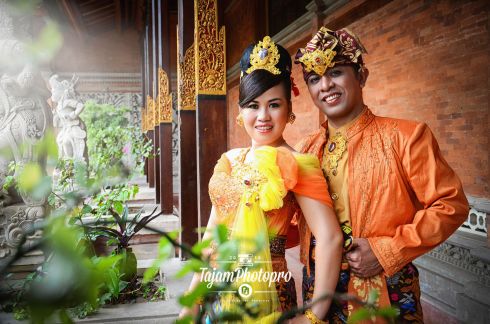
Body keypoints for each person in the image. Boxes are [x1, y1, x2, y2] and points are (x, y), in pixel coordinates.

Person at [293, 27, 469, 322]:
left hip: (384, 288)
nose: (325, 85)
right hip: (318, 291)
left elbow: (451, 205)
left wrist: (387, 250)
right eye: (314, 79)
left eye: (336, 72)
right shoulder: (304, 149)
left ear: (361, 75)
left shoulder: (407, 136)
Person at [179, 36, 343, 323]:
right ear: (241, 112)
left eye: (274, 104)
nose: (263, 116)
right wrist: (191, 303)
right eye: (253, 105)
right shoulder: (229, 160)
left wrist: (313, 316)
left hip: (268, 293)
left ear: (290, 110)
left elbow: (330, 238)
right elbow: (211, 238)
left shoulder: (299, 163)